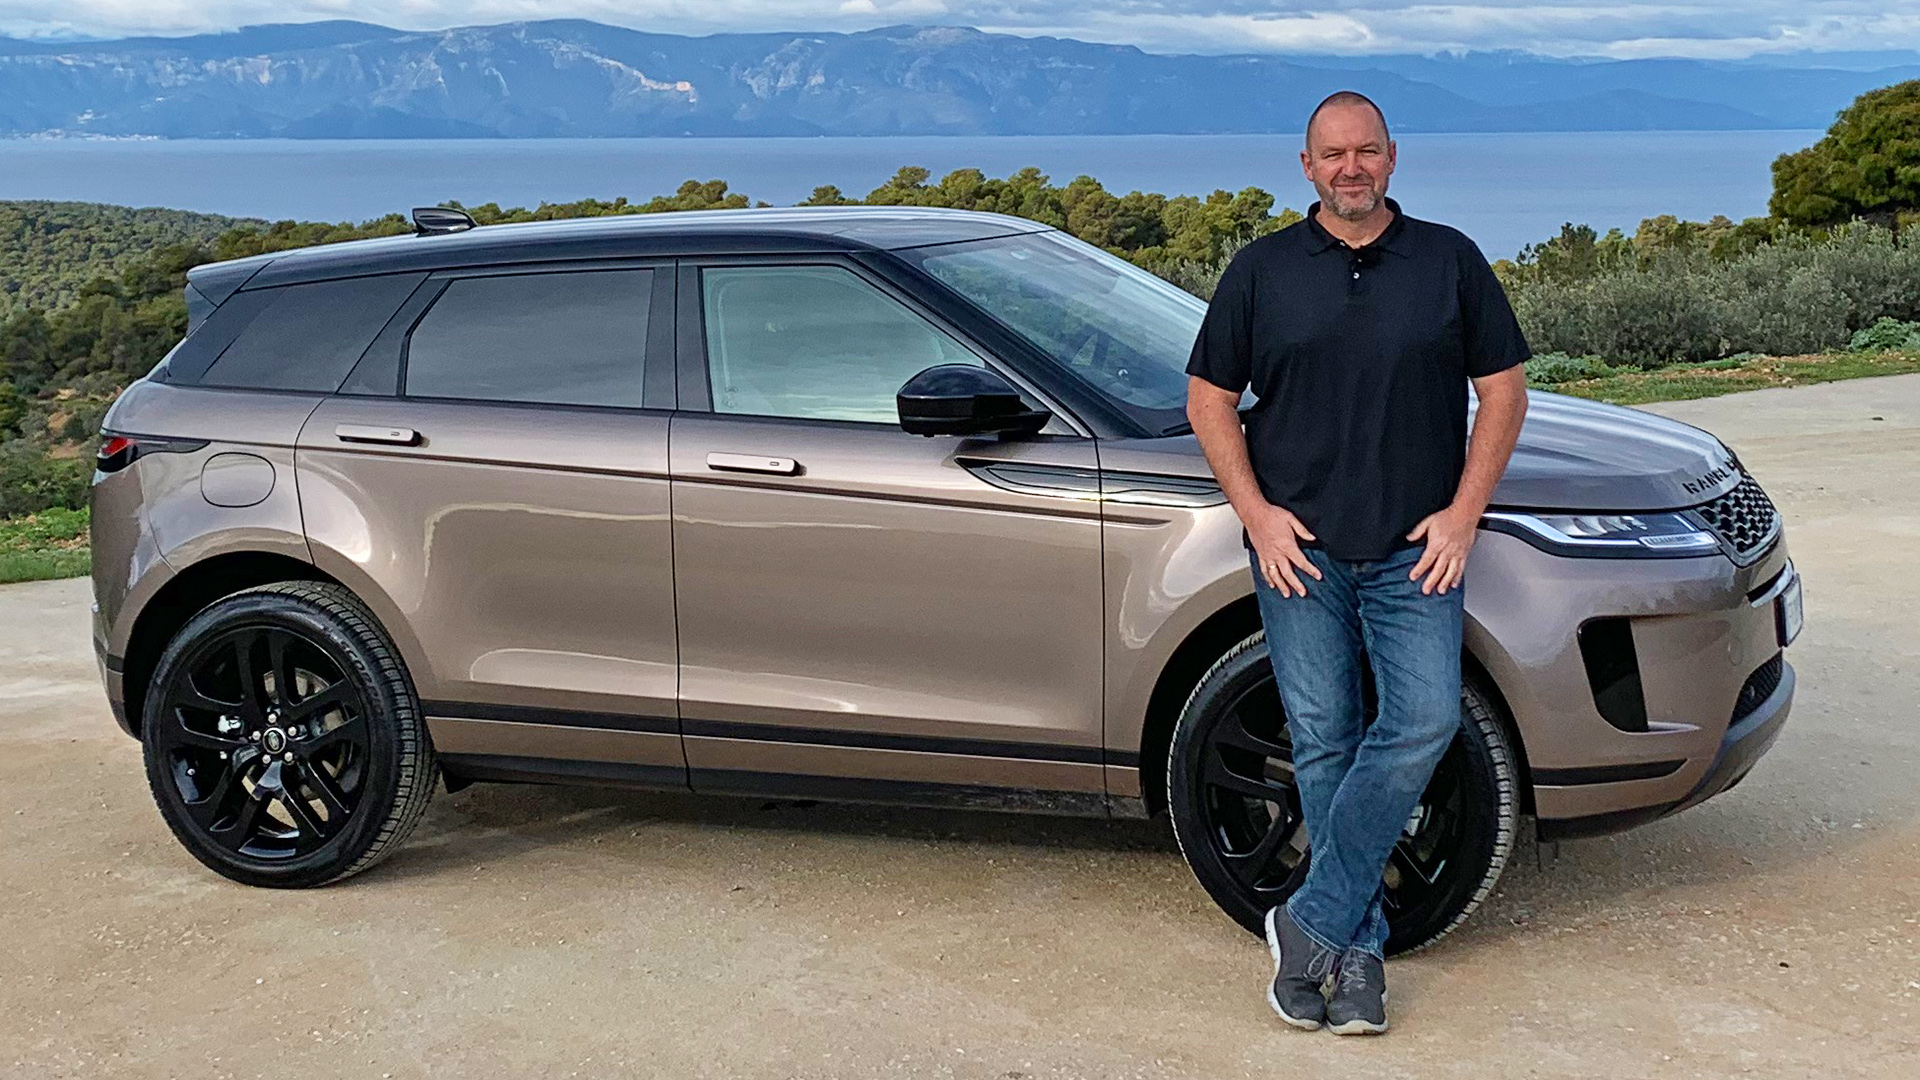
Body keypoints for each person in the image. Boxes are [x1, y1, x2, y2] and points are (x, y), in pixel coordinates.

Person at [1184, 90, 1531, 1035]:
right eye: (1333, 154)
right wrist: (1257, 517)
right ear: (1307, 167)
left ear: (1391, 157)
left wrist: (1464, 515)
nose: (1351, 168)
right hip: (1299, 554)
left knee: (1423, 722)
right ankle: (1358, 956)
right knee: (1325, 741)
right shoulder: (1261, 270)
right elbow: (1208, 397)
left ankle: (1311, 920)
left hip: (1418, 552)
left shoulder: (1449, 260)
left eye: (1366, 151)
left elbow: (1504, 392)